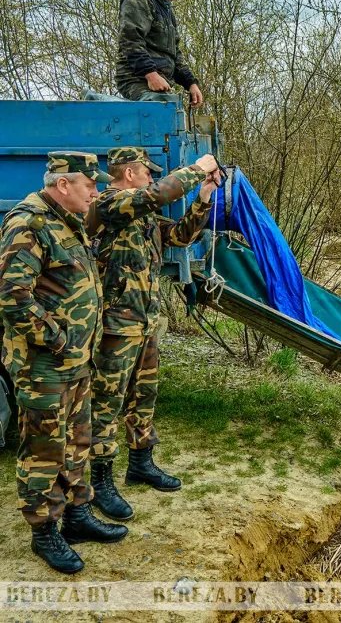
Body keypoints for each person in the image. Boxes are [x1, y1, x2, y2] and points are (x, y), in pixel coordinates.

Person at [0, 152, 128, 574]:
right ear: (63, 185)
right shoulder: (29, 222)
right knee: (44, 449)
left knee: (76, 441)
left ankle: (76, 514)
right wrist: (56, 339)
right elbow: (13, 298)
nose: (96, 190)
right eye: (89, 184)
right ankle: (44, 531)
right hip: (44, 365)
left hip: (75, 360)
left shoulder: (67, 219)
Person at [86, 147, 220, 521]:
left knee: (143, 397)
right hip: (116, 327)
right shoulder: (109, 206)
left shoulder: (143, 217)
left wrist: (204, 195)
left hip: (145, 323)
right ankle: (100, 481)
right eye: (147, 172)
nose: (151, 177)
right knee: (106, 406)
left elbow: (180, 236)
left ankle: (141, 463)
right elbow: (157, 194)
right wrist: (197, 169)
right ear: (130, 173)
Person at [115, 0, 204, 106]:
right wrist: (150, 74)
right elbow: (130, 39)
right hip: (137, 79)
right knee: (159, 111)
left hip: (160, 82)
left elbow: (175, 53)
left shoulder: (166, 10)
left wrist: (191, 83)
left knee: (174, 110)